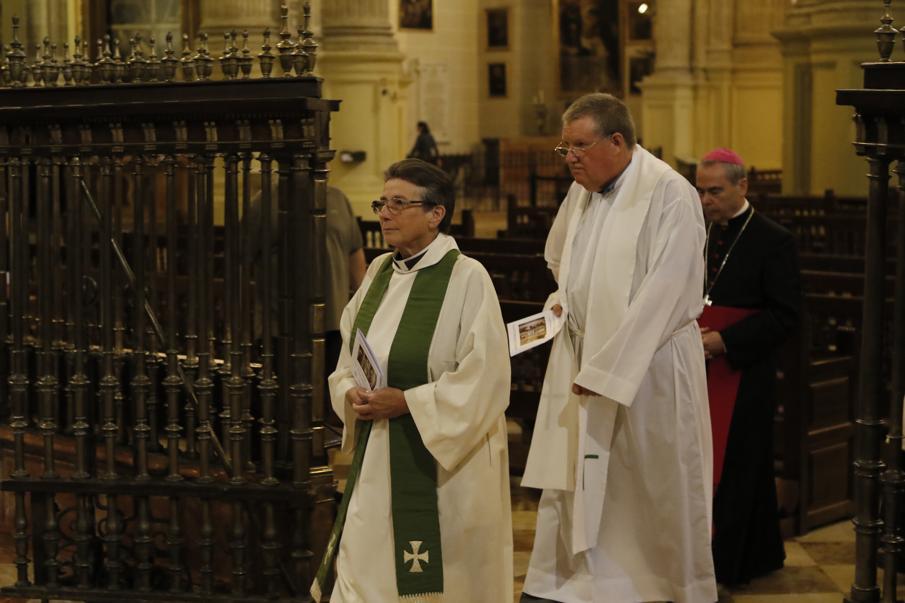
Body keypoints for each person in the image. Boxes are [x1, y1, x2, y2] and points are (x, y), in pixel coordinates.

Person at [520, 92, 717, 603]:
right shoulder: (585, 188)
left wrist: (610, 368)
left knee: (646, 486)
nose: (570, 158)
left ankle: (656, 587)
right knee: (580, 478)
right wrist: (564, 304)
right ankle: (581, 583)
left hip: (646, 370)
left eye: (579, 146)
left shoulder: (669, 193)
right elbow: (562, 257)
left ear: (617, 140)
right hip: (587, 358)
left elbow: (667, 291)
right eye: (565, 148)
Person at [311, 158, 513, 603]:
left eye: (399, 203)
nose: (384, 213)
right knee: (365, 564)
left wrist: (409, 403)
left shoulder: (467, 277)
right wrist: (352, 393)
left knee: (442, 578)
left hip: (442, 462)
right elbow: (348, 355)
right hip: (378, 450)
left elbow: (487, 377)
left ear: (436, 213)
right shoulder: (379, 272)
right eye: (383, 202)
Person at [695, 148, 801, 586]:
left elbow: (786, 316)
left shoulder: (774, 240)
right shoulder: (698, 234)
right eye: (700, 191)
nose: (705, 201)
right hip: (695, 365)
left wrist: (725, 342)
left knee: (739, 468)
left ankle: (731, 563)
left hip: (742, 371)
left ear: (742, 186)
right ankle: (723, 555)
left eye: (715, 191)